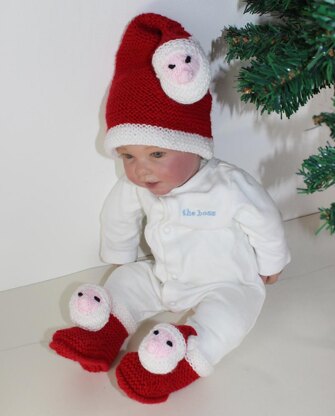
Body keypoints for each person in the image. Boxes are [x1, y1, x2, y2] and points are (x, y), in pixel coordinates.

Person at [50, 13, 290, 404]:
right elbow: (118, 215)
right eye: (128, 155)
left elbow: (264, 220)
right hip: (165, 276)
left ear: (193, 144)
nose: (139, 169)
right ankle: (104, 330)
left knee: (229, 319)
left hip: (227, 282)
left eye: (156, 153)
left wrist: (271, 263)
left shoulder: (227, 186)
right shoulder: (139, 186)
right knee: (127, 283)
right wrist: (121, 256)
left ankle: (178, 356)